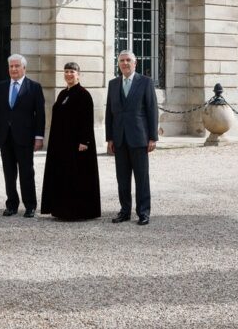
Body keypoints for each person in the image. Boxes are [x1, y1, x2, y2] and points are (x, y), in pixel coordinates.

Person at [0, 54, 46, 218]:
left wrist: (39, 137)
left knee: (27, 172)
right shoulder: (0, 87)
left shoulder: (34, 87)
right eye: (11, 66)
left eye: (16, 66)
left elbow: (40, 115)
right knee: (8, 172)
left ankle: (30, 205)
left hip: (25, 137)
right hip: (5, 137)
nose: (13, 69)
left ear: (24, 68)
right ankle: (12, 204)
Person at [40, 62, 100, 221]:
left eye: (72, 71)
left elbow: (87, 120)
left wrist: (84, 141)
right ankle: (61, 209)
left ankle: (78, 211)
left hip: (77, 145)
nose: (68, 74)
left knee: (76, 177)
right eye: (66, 71)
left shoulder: (83, 94)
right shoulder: (62, 94)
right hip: (61, 145)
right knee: (63, 176)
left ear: (78, 74)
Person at [105, 50, 158, 226]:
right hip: (119, 138)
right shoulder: (113, 84)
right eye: (122, 60)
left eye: (128, 60)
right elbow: (109, 114)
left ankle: (143, 212)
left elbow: (152, 110)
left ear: (135, 63)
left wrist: (153, 137)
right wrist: (109, 138)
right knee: (122, 178)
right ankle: (124, 211)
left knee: (141, 177)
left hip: (139, 137)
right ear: (118, 63)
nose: (125, 63)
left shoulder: (145, 82)